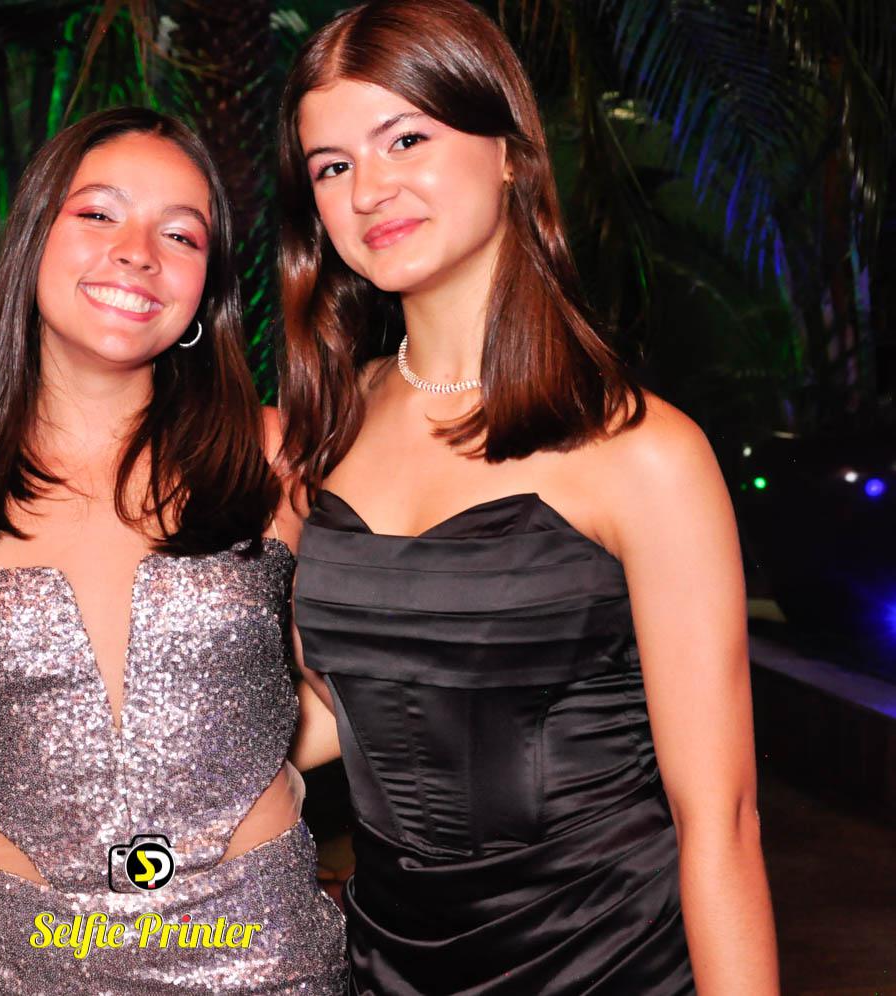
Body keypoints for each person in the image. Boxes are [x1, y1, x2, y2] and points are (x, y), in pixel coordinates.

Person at [278, 2, 779, 993]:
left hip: (605, 963)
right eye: (331, 166)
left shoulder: (643, 452)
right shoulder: (324, 427)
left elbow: (720, 823)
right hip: (386, 963)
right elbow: (344, 706)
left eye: (406, 139)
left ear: (508, 151)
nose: (368, 189)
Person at [0, 106, 347, 994]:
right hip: (18, 966)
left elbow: (376, 688)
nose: (138, 252)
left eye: (179, 235)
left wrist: (243, 766)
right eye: (98, 214)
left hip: (260, 956)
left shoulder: (277, 457)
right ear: (34, 238)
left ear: (204, 292)